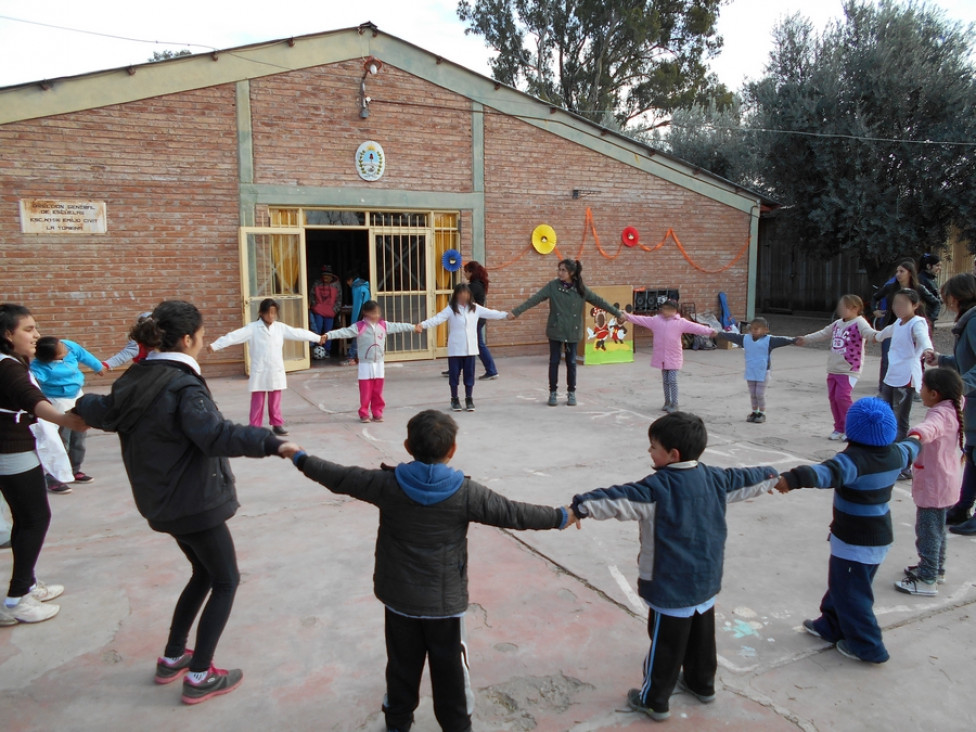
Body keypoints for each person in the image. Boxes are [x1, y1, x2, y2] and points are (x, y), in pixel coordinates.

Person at [285, 409, 573, 731]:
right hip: (444, 608)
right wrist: (561, 516)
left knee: (401, 667)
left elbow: (338, 477)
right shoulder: (467, 493)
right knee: (451, 672)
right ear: (452, 451)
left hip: (399, 601)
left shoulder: (386, 483)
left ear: (407, 446)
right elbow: (515, 513)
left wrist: (299, 457)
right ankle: (456, 726)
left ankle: (396, 723)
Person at [74, 300, 299, 704]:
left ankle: (174, 656)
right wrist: (268, 441)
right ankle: (198, 676)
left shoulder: (134, 378)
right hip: (193, 502)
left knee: (203, 573)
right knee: (226, 580)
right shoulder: (182, 385)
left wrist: (80, 403)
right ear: (186, 339)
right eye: (201, 335)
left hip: (160, 500)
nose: (203, 341)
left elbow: (101, 409)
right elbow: (214, 435)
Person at [569, 412, 778, 721]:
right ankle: (701, 684)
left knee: (665, 645)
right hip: (706, 581)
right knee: (702, 638)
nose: (649, 452)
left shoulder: (656, 489)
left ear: (672, 455)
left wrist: (579, 507)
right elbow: (751, 478)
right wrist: (776, 477)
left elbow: (617, 499)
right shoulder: (716, 478)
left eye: (653, 446)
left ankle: (653, 699)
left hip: (670, 585)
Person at [776, 398, 921, 663]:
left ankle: (868, 646)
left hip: (857, 541)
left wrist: (791, 479)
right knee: (844, 586)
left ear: (851, 431)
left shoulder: (853, 461)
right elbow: (913, 447)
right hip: (877, 537)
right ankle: (830, 625)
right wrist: (919, 437)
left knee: (853, 595)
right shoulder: (897, 454)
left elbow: (823, 473)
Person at [0, 303, 88, 625]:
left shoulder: (9, 361)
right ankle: (16, 599)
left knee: (27, 519)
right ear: (8, 334)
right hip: (12, 452)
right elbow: (31, 400)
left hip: (15, 449)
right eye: (28, 329)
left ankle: (27, 585)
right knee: (34, 519)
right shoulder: (8, 367)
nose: (36, 335)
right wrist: (68, 420)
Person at [511, 259, 621, 407]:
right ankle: (553, 392)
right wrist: (516, 312)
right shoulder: (553, 286)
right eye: (559, 269)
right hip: (556, 329)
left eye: (563, 270)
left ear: (572, 273)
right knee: (554, 361)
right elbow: (534, 299)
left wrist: (617, 313)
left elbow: (599, 301)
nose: (560, 273)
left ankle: (571, 393)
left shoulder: (581, 289)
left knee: (572, 362)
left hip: (572, 331)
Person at [208, 298, 325, 436]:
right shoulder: (252, 328)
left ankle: (277, 424)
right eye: (269, 313)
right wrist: (215, 345)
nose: (271, 316)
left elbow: (298, 333)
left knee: (275, 400)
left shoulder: (280, 328)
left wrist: (317, 338)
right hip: (260, 370)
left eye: (274, 313)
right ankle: (254, 426)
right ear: (261, 313)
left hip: (275, 369)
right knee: (258, 401)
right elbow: (233, 336)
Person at [894, 367, 963, 596]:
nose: (919, 391)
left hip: (934, 484)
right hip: (945, 481)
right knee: (938, 531)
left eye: (922, 387)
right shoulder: (953, 406)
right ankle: (936, 569)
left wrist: (915, 435)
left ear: (934, 393)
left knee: (928, 532)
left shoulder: (939, 414)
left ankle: (927, 578)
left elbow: (930, 428)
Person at [926, 273, 976, 533]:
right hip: (972, 403)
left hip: (972, 398)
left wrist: (960, 387)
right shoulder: (967, 321)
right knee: (972, 455)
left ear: (955, 297)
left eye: (946, 296)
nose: (944, 300)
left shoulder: (975, 320)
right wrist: (942, 360)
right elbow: (967, 361)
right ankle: (961, 508)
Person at [418, 283, 511, 412]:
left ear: (469, 295)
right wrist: (422, 325)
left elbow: (491, 313)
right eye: (460, 295)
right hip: (456, 349)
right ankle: (454, 399)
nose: (463, 297)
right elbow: (437, 319)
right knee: (454, 375)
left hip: (470, 349)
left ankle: (469, 398)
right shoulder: (451, 309)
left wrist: (506, 315)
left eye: (465, 294)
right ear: (456, 295)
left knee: (469, 375)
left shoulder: (475, 308)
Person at [796, 295, 877, 440]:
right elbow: (822, 334)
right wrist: (806, 339)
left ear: (855, 308)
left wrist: (879, 335)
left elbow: (870, 334)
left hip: (849, 369)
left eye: (844, 307)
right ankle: (839, 428)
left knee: (842, 397)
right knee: (833, 398)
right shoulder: (837, 324)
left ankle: (851, 428)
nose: (840, 309)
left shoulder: (860, 322)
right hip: (834, 368)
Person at [29, 336, 105, 491]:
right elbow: (30, 383)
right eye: (60, 352)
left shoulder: (68, 346)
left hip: (77, 395)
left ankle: (74, 470)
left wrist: (98, 366)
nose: (65, 350)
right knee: (62, 439)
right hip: (56, 401)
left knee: (79, 435)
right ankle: (54, 477)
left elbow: (83, 354)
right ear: (50, 358)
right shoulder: (39, 367)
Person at [324, 300, 416, 423]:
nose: (376, 315)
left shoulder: (383, 325)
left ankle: (377, 412)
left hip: (379, 364)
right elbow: (343, 332)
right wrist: (328, 335)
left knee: (378, 391)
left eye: (378, 313)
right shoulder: (359, 327)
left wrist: (413, 327)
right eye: (373, 313)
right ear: (365, 313)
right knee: (365, 391)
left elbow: (398, 326)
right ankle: (364, 413)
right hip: (365, 365)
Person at [874, 289, 932, 475]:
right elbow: (879, 335)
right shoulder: (897, 323)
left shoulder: (917, 323)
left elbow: (924, 339)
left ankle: (903, 465)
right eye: (895, 303)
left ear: (914, 305)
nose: (897, 307)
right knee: (887, 417)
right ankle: (889, 457)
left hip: (906, 379)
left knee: (900, 422)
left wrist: (929, 351)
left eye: (902, 303)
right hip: (891, 377)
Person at [621, 300, 715, 413]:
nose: (665, 311)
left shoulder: (680, 322)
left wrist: (710, 331)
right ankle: (667, 402)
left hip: (674, 356)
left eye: (668, 309)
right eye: (664, 309)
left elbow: (696, 327)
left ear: (675, 311)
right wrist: (627, 317)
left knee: (672, 379)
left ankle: (675, 403)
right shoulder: (656, 321)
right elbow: (641, 320)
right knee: (665, 380)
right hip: (661, 357)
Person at [714, 317, 796, 423]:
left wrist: (795, 340)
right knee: (753, 393)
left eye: (757, 329)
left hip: (763, 372)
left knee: (759, 394)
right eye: (751, 328)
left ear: (766, 330)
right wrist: (719, 334)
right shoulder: (745, 339)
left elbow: (783, 339)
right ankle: (754, 412)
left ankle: (762, 413)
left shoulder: (770, 340)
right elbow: (733, 336)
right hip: (751, 370)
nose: (753, 331)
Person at [870, 260, 935, 388]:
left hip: (911, 328)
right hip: (894, 324)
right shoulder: (891, 287)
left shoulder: (919, 289)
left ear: (910, 273)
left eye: (902, 271)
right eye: (897, 271)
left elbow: (935, 303)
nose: (898, 274)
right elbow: (875, 297)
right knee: (888, 357)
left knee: (915, 358)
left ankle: (915, 385)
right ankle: (885, 387)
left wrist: (930, 319)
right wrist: (874, 311)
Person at [464, 261, 499, 380]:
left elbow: (463, 300)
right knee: (468, 344)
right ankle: (456, 368)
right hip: (476, 319)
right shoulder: (477, 284)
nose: (464, 274)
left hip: (475, 320)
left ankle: (492, 370)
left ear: (471, 272)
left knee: (478, 345)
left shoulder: (474, 286)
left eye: (466, 272)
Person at [310, 265, 341, 355]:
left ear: (331, 276)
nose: (325, 278)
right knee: (317, 329)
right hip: (318, 311)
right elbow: (312, 296)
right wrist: (315, 306)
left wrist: (334, 310)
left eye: (327, 276)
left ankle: (327, 351)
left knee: (328, 332)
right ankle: (317, 350)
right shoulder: (317, 283)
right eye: (324, 276)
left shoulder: (336, 285)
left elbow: (339, 299)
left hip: (330, 312)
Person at [342, 271, 371, 366]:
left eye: (347, 281)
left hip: (361, 315)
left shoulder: (357, 288)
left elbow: (359, 305)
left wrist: (356, 320)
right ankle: (359, 357)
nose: (347, 284)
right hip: (366, 315)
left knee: (357, 337)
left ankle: (351, 357)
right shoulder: (363, 286)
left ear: (350, 280)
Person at [917, 253, 943, 322]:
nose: (940, 268)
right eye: (937, 265)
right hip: (924, 316)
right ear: (928, 266)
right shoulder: (921, 279)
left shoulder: (931, 279)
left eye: (940, 266)